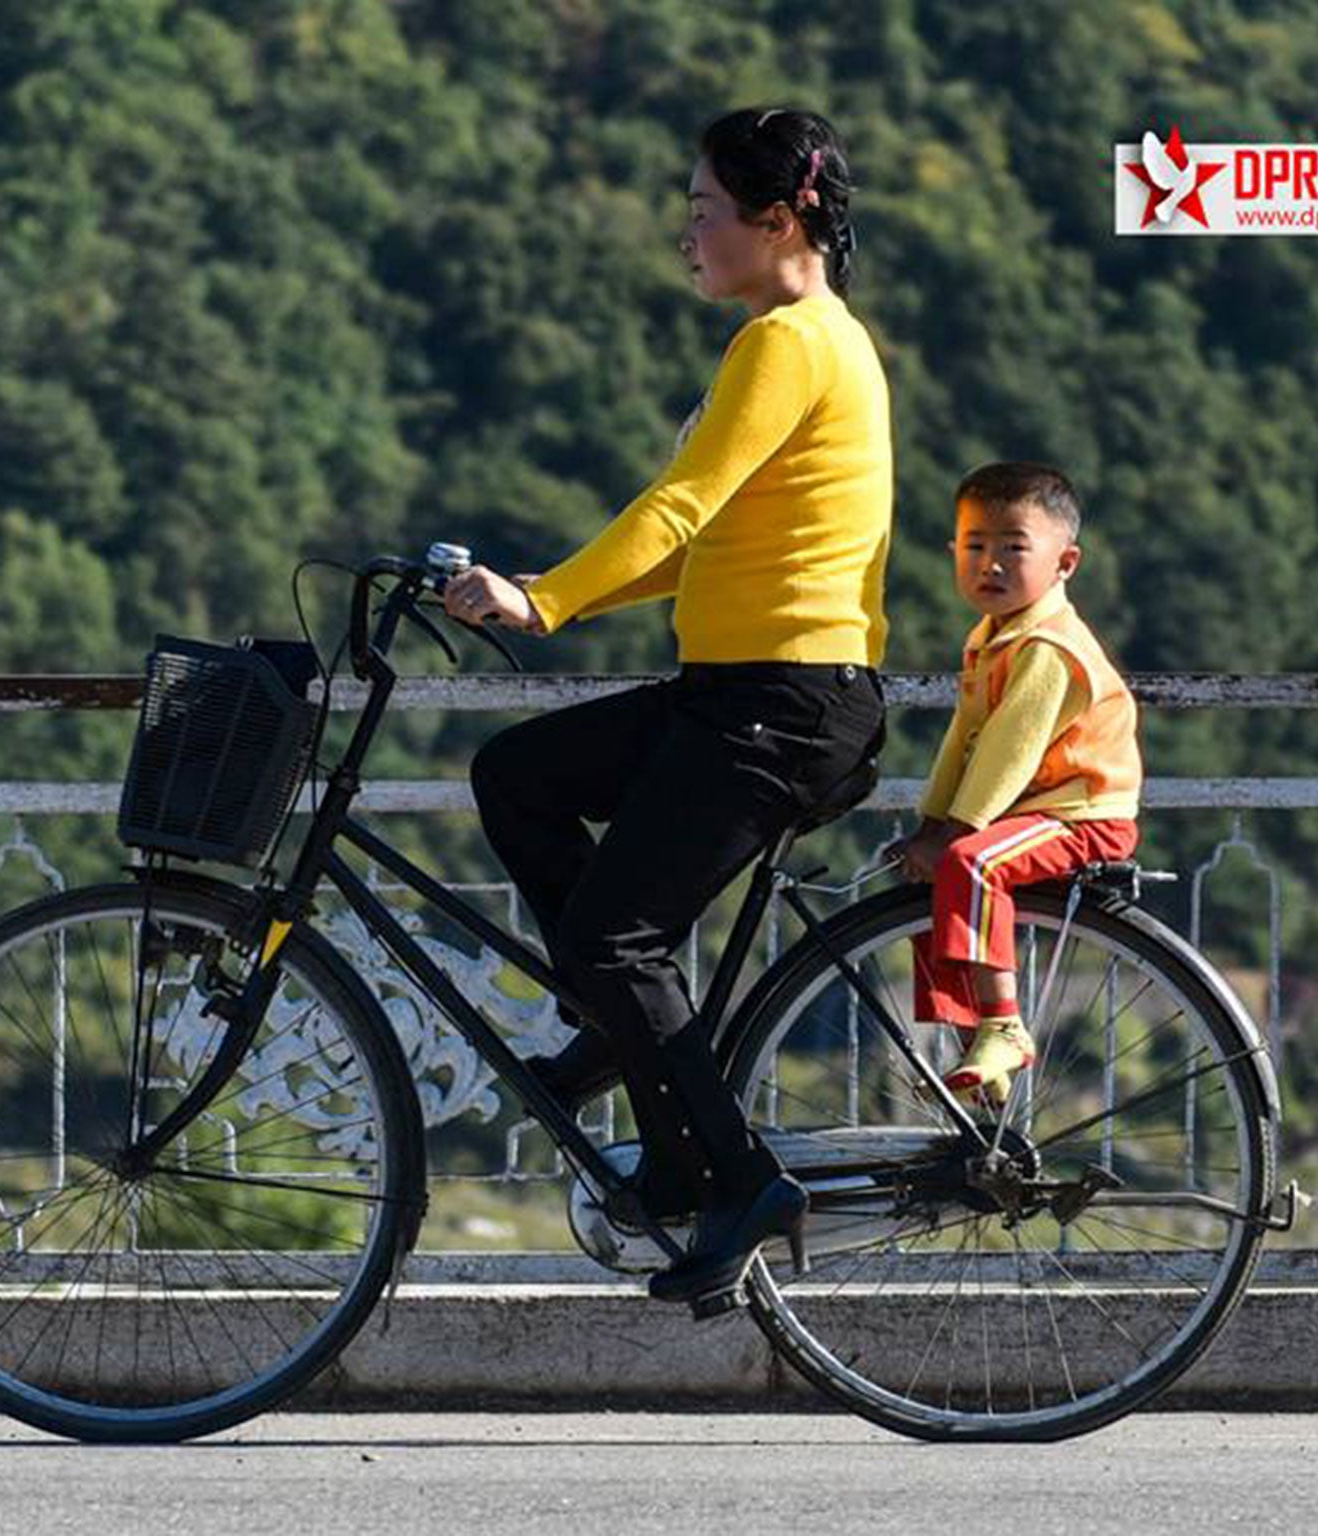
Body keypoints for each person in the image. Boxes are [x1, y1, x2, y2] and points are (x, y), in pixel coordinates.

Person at [439, 107, 892, 1312]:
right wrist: (543, 603)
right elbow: (681, 545)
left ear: (777, 220)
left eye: (702, 212)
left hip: (784, 704)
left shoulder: (788, 341)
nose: (685, 233)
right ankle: (617, 1033)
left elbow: (677, 505)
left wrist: (540, 600)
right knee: (517, 777)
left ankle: (736, 1180)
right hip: (740, 692)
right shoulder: (790, 341)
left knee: (614, 934)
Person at [885, 462, 1143, 1106]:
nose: (989, 564)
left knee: (970, 864)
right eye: (975, 546)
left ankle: (1003, 1026)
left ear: (1066, 562)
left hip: (1083, 812)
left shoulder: (1048, 648)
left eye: (1013, 548)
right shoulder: (992, 638)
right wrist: (929, 823)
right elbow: (961, 740)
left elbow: (1008, 751)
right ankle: (973, 1041)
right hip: (1037, 808)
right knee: (931, 878)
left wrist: (955, 831)